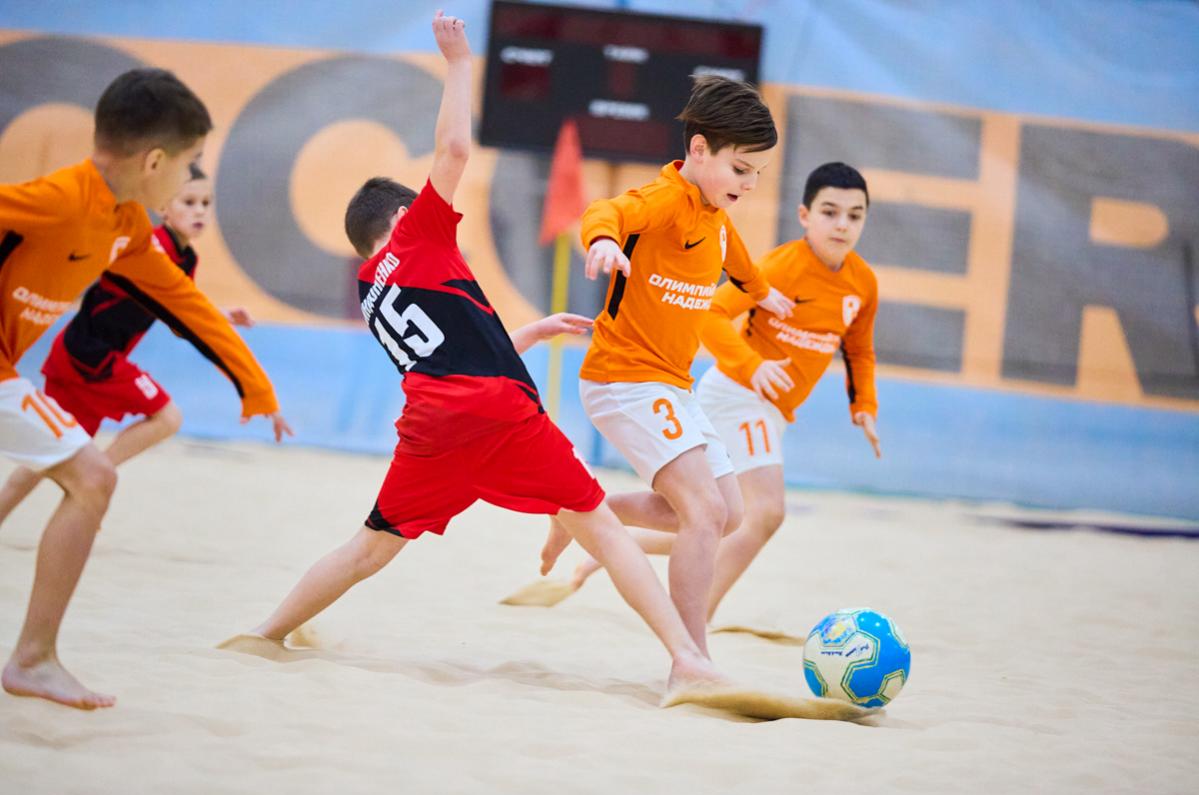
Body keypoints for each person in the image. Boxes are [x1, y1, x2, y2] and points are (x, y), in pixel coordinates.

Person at [225, 12, 721, 696]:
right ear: (402, 218)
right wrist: (459, 63)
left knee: (368, 546)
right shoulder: (419, 233)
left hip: (430, 431)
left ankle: (265, 631)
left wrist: (529, 333)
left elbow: (445, 360)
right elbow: (455, 149)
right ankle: (688, 659)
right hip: (499, 415)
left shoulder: (371, 287)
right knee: (602, 529)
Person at [0, 67, 291, 709]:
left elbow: (187, 305)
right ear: (156, 161)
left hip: (7, 372)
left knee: (88, 474)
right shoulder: (59, 199)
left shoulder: (128, 226)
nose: (191, 180)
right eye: (190, 163)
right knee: (93, 476)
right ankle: (33, 659)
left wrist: (255, 387)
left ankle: (32, 658)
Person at [537, 75, 795, 655]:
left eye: (758, 172)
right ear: (699, 149)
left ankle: (581, 511)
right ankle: (692, 657)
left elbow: (739, 261)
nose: (750, 184)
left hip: (671, 385)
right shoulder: (667, 200)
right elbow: (606, 210)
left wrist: (763, 293)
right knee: (704, 511)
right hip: (623, 377)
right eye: (741, 169)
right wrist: (603, 241)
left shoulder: (716, 215)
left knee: (729, 514)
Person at [568, 162, 881, 623]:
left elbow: (859, 349)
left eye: (854, 216)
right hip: (737, 395)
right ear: (804, 215)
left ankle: (615, 536)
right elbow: (713, 313)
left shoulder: (863, 283)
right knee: (766, 513)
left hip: (772, 410)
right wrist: (753, 366)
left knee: (720, 520)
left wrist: (864, 406)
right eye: (830, 212)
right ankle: (697, 621)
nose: (842, 225)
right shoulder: (782, 266)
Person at [0, 166, 261, 521]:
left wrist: (220, 316)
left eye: (206, 203)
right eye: (189, 202)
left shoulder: (187, 258)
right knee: (167, 417)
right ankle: (98, 474)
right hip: (89, 355)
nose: (199, 211)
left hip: (77, 356)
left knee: (42, 461)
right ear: (164, 207)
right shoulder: (148, 244)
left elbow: (178, 313)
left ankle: (87, 483)